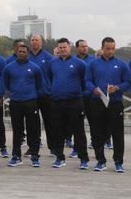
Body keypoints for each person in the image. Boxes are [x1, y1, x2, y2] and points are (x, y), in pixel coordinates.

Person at [85, 37, 131, 173]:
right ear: (102, 48)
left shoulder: (122, 64)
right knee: (97, 132)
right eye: (107, 48)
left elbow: (128, 82)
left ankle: (118, 162)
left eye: (112, 48)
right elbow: (87, 80)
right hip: (97, 102)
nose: (110, 51)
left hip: (115, 103)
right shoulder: (93, 64)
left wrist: (117, 88)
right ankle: (100, 161)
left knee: (117, 133)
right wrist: (94, 89)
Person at [47, 38, 89, 169]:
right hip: (57, 102)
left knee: (78, 131)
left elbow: (84, 81)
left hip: (74, 101)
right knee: (58, 131)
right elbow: (50, 77)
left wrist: (76, 92)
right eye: (60, 48)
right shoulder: (52, 62)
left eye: (64, 47)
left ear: (69, 48)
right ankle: (59, 157)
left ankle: (83, 159)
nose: (62, 50)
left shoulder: (79, 63)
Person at [2, 44, 44, 168]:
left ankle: (35, 156)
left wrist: (30, 93)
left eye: (24, 52)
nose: (21, 53)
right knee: (17, 130)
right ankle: (16, 156)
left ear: (28, 53)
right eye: (19, 51)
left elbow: (39, 84)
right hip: (16, 102)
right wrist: (15, 92)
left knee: (33, 130)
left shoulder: (35, 68)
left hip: (31, 101)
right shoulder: (9, 67)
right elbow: (6, 83)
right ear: (16, 52)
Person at [68, 39, 96, 158]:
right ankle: (77, 148)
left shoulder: (93, 61)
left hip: (91, 97)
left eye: (86, 46)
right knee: (77, 125)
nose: (85, 48)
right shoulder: (73, 61)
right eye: (82, 46)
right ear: (77, 48)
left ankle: (96, 145)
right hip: (77, 98)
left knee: (94, 123)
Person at [28, 34, 54, 156]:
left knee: (50, 122)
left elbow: (53, 75)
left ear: (41, 42)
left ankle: (53, 147)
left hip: (46, 94)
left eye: (37, 40)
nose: (34, 42)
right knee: (32, 124)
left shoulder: (48, 57)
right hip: (31, 95)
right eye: (32, 40)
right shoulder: (26, 56)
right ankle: (33, 148)